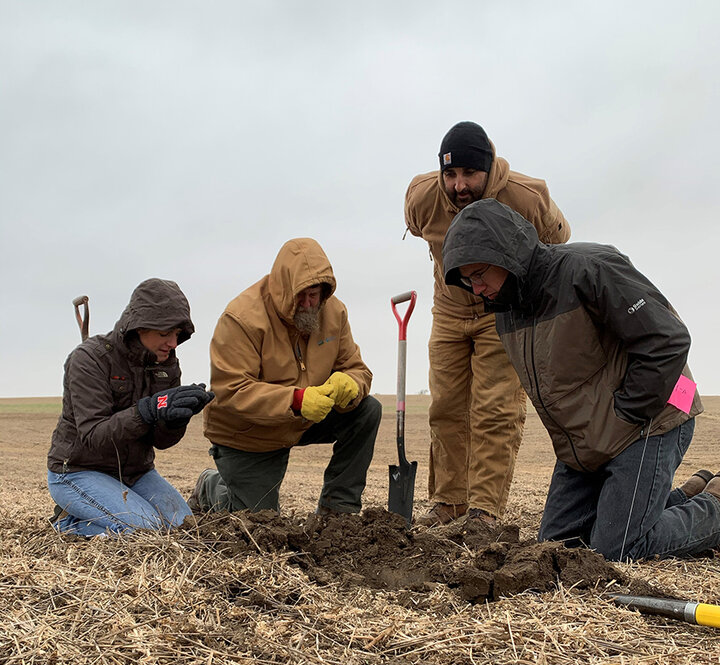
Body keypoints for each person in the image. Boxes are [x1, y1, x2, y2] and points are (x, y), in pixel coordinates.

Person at [441, 198, 720, 561]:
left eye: (478, 274)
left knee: (615, 549)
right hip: (587, 446)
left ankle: (714, 508)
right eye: (466, 280)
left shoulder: (588, 268)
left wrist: (626, 414)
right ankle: (685, 497)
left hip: (652, 420)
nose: (475, 288)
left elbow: (668, 339)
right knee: (555, 551)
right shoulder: (506, 312)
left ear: (506, 254)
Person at [404, 121, 570, 525]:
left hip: (503, 312)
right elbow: (417, 229)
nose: (459, 185)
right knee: (445, 408)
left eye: (470, 174)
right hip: (449, 312)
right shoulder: (422, 197)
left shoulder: (528, 197)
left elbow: (557, 241)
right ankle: (448, 503)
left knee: (494, 410)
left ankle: (482, 510)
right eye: (451, 174)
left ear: (489, 169)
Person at [191, 237, 381, 515]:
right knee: (259, 521)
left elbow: (357, 368)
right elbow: (231, 390)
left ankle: (338, 510)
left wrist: (351, 383)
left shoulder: (333, 312)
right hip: (250, 432)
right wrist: (295, 400)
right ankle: (211, 487)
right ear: (283, 289)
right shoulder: (241, 318)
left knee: (367, 410)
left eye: (314, 294)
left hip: (305, 419)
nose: (307, 303)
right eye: (299, 295)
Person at [47, 278, 214, 537]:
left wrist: (174, 421)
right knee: (145, 529)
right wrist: (146, 411)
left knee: (185, 529)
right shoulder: (89, 360)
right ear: (140, 327)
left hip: (135, 473)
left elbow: (160, 442)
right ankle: (69, 522)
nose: (172, 343)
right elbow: (93, 436)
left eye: (177, 335)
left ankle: (104, 510)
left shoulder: (166, 365)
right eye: (164, 333)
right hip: (77, 471)